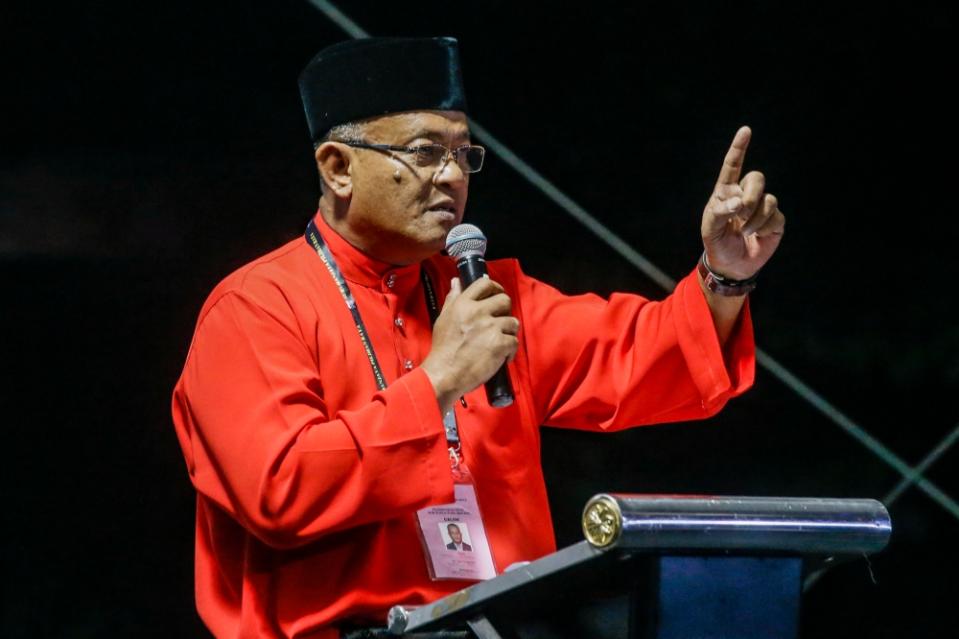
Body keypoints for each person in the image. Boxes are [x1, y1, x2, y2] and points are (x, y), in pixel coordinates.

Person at [171, 37, 784, 639]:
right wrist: (439, 380)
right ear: (338, 169)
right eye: (425, 151)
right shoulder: (255, 308)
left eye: (463, 155)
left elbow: (643, 355)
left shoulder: (487, 291)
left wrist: (724, 273)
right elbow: (280, 487)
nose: (451, 177)